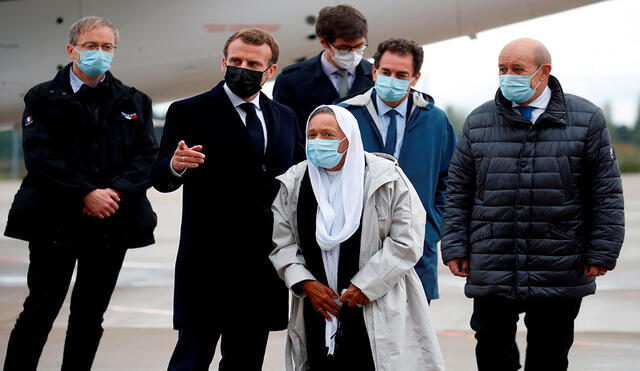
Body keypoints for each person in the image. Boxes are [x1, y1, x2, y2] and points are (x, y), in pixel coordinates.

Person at [441, 38, 625, 371]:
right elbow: (459, 190)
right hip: (493, 261)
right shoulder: (479, 121)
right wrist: (454, 245)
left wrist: (602, 250)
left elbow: (606, 192)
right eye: (502, 68)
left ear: (544, 72)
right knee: (492, 352)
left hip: (558, 262)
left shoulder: (585, 119)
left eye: (517, 69)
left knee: (550, 354)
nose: (507, 75)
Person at [3, 16, 158, 371]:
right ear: (72, 50)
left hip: (110, 223)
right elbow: (41, 158)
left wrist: (112, 194)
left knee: (90, 315)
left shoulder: (134, 101)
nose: (98, 54)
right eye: (90, 46)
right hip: (54, 222)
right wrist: (86, 193)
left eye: (106, 47)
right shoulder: (42, 97)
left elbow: (146, 158)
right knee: (39, 309)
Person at [151, 28, 303, 371]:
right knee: (192, 357)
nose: (242, 68)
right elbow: (160, 177)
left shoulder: (285, 116)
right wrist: (175, 165)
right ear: (223, 63)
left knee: (246, 361)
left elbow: (296, 178)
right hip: (208, 261)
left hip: (263, 263)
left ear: (271, 70)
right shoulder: (188, 111)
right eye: (236, 61)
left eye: (253, 63)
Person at [270, 105, 445, 371]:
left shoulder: (386, 177)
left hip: (374, 300)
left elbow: (407, 239)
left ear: (348, 138)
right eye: (313, 134)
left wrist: (366, 285)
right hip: (317, 305)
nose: (318, 142)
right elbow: (282, 242)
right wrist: (304, 282)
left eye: (328, 135)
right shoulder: (294, 180)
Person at [340, 38, 456, 301]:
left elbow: (449, 181)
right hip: (356, 247)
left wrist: (430, 229)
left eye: (401, 74)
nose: (392, 79)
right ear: (374, 72)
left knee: (413, 338)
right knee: (359, 338)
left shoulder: (436, 121)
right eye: (386, 72)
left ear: (415, 78)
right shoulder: (345, 116)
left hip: (415, 251)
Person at [273, 4, 373, 134]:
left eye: (359, 46)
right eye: (344, 48)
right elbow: (284, 133)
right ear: (324, 43)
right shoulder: (291, 81)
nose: (353, 53)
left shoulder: (375, 75)